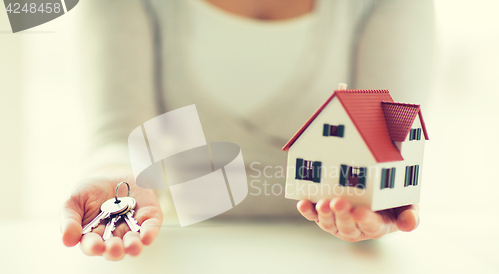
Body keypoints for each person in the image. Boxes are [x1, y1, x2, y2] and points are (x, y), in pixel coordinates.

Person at [60, 0, 435, 260]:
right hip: (181, 253)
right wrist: (112, 172)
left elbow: (389, 134)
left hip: (343, 261)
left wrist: (387, 198)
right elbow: (119, 134)